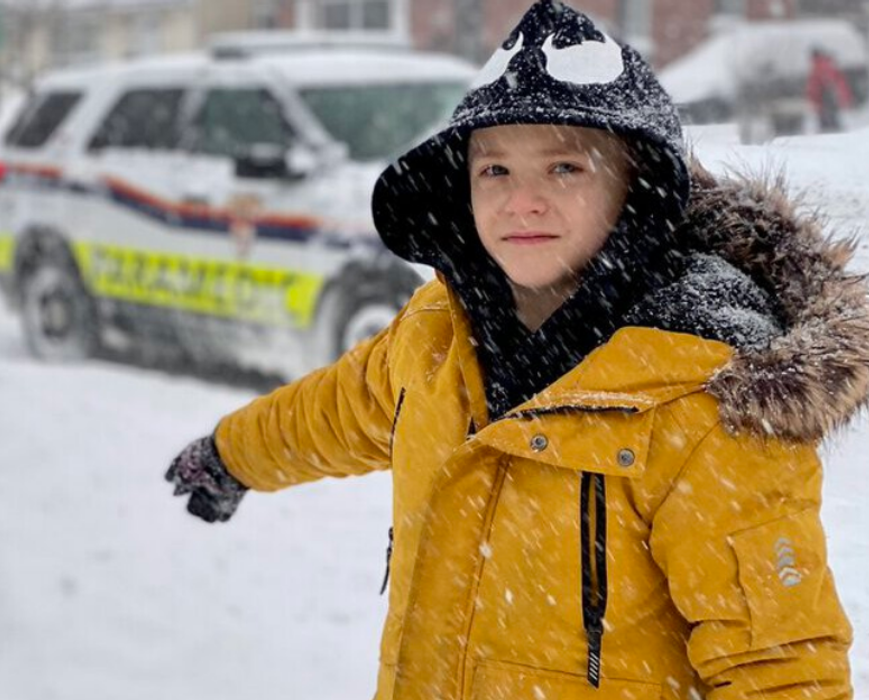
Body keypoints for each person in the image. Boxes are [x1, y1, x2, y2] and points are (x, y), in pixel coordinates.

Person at [165, 2, 865, 698]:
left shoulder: (700, 392)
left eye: (564, 167)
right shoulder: (439, 334)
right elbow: (336, 410)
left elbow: (777, 666)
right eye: (494, 171)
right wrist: (232, 454)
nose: (521, 201)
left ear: (635, 192)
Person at [806, 46, 854, 133]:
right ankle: (836, 132)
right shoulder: (828, 63)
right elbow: (838, 81)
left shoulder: (818, 65)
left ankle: (831, 134)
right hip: (829, 97)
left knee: (826, 120)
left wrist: (813, 96)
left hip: (824, 97)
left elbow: (815, 83)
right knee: (832, 118)